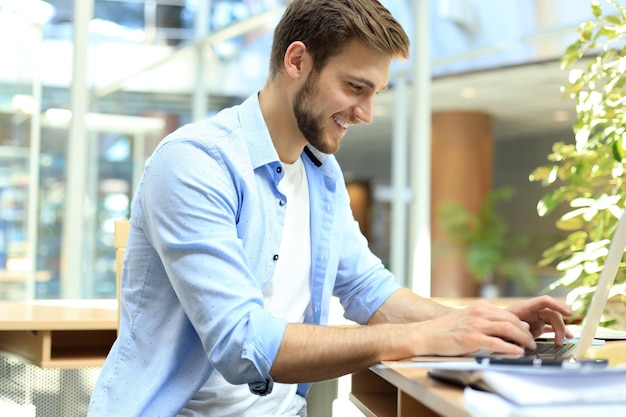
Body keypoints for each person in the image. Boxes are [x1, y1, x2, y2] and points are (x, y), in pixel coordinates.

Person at [88, 0, 573, 416]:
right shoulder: (195, 163)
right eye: (355, 88)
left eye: (375, 94)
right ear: (297, 60)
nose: (366, 113)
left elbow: (368, 289)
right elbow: (244, 344)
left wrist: (484, 326)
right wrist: (428, 337)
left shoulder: (320, 172)